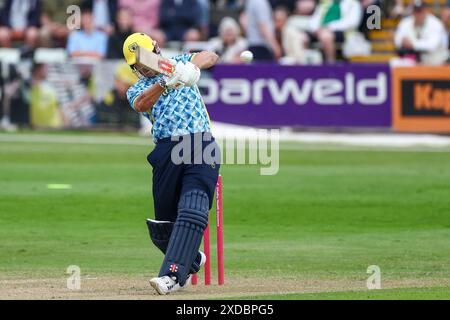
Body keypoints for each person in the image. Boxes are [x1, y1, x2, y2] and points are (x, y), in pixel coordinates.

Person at [123, 33, 221, 295]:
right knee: (163, 228)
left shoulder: (180, 61)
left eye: (144, 60)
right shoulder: (136, 88)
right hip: (166, 151)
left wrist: (190, 68)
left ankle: (171, 276)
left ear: (156, 48)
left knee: (193, 207)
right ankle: (193, 260)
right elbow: (142, 103)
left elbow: (210, 55)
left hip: (200, 143)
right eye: (136, 65)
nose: (142, 67)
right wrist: (167, 81)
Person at [394, 0, 449, 65]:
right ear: (413, 12)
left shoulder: (435, 23)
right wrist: (403, 42)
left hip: (437, 63)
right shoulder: (406, 22)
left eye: (420, 11)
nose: (418, 14)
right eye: (416, 11)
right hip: (416, 62)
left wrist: (412, 44)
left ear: (425, 11)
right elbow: (397, 40)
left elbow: (432, 45)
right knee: (396, 62)